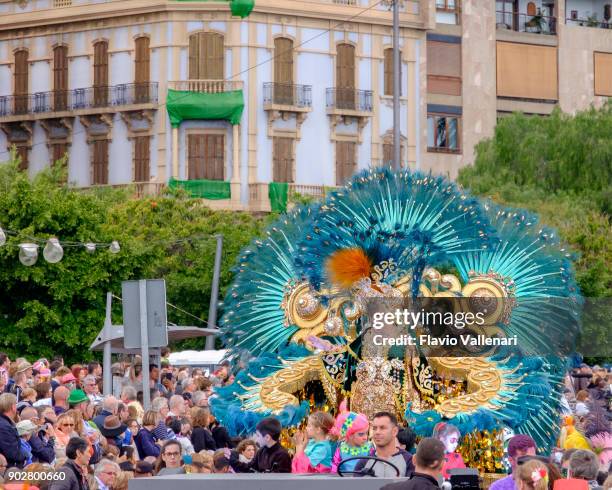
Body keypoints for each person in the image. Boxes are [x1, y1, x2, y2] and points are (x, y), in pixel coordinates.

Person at [354, 412, 414, 477]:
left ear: (394, 431)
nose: (377, 432)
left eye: (382, 428)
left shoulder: (408, 460)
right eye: (374, 428)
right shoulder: (364, 462)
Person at [330, 402, 372, 473]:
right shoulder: (340, 449)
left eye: (366, 433)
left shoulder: (370, 448)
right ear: (349, 435)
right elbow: (334, 469)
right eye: (361, 434)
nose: (365, 437)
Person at [0, 393, 27, 468]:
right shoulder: (4, 427)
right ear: (13, 407)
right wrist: (25, 458)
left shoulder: (5, 423)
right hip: (10, 469)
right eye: (16, 404)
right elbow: (12, 453)